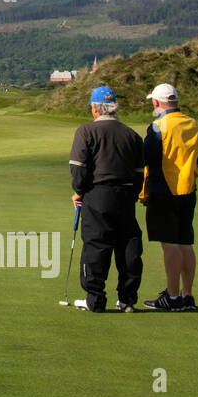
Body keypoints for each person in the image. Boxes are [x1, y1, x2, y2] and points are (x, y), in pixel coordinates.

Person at [68, 86, 145, 313]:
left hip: (97, 195)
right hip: (126, 196)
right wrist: (132, 194)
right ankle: (127, 299)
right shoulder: (132, 135)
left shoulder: (86, 132)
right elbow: (140, 173)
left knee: (96, 244)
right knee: (128, 245)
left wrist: (78, 192)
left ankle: (95, 299)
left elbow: (79, 170)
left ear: (94, 108)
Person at [140, 83, 198, 312]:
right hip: (188, 190)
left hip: (163, 191)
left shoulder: (158, 126)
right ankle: (187, 295)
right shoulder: (193, 124)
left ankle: (173, 296)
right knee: (185, 242)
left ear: (157, 103)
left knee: (170, 245)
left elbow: (147, 158)